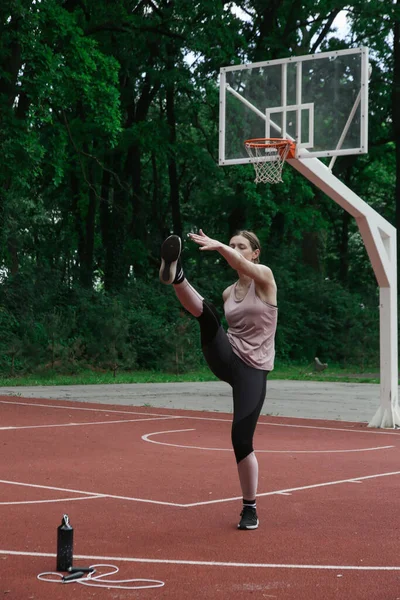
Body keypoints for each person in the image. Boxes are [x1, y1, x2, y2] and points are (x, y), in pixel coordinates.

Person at [159, 229, 278, 530]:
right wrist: (224, 247)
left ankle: (249, 507)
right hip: (228, 357)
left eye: (241, 247)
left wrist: (221, 245)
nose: (235, 250)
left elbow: (244, 266)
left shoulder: (265, 278)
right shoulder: (229, 292)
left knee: (241, 439)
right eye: (232, 245)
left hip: (253, 370)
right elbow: (220, 317)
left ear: (255, 253)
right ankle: (176, 274)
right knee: (208, 315)